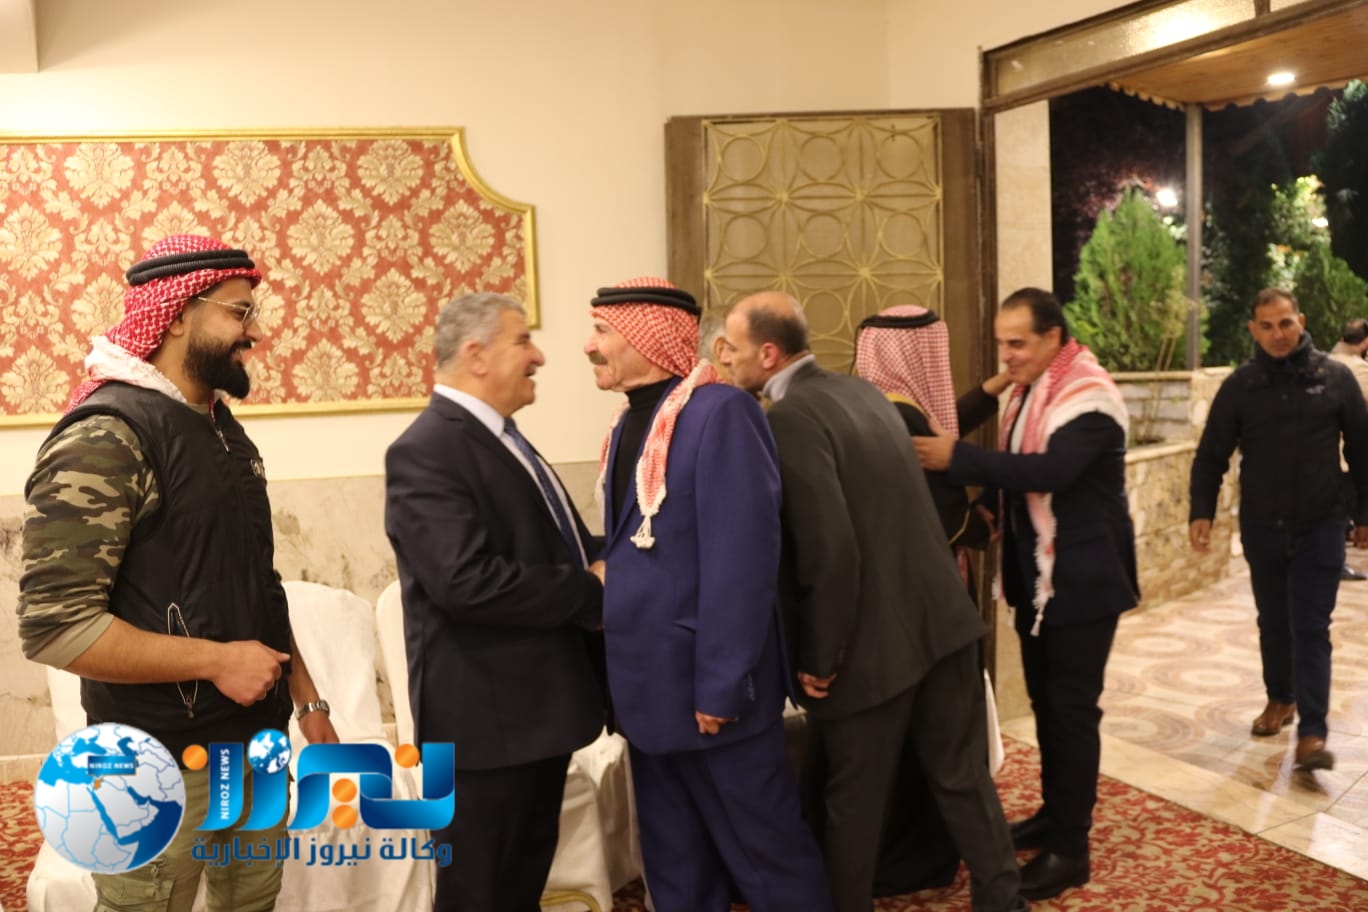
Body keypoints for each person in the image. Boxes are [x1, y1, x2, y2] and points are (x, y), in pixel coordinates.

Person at [18, 234, 338, 912]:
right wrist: (218, 661)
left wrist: (309, 704)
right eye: (239, 312)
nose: (256, 333)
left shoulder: (222, 429)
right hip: (153, 765)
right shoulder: (107, 435)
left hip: (256, 747)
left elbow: (259, 585)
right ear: (175, 317)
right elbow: (56, 628)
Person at [721, 291, 1026, 912]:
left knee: (853, 801)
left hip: (873, 645)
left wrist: (821, 656)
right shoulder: (864, 393)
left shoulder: (790, 418)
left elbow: (830, 551)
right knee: (963, 780)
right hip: (944, 623)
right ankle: (1005, 901)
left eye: (732, 346)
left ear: (769, 353)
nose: (724, 357)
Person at [584, 277, 832, 912]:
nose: (589, 345)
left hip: (708, 695)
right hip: (647, 693)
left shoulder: (721, 413)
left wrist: (721, 684)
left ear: (646, 337)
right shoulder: (629, 422)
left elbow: (742, 561)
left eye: (603, 331)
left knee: (769, 860)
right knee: (676, 865)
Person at [384, 292, 607, 912]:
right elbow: (465, 581)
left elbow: (557, 544)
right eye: (523, 340)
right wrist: (591, 590)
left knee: (517, 891)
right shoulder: (426, 449)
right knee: (477, 896)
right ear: (476, 355)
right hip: (484, 730)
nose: (538, 356)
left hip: (534, 720)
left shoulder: (504, 438)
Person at [914, 286, 1137, 902]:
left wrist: (958, 460)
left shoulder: (1087, 396)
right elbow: (1019, 460)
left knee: (1072, 712)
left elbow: (1052, 472)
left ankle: (1071, 849)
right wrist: (989, 502)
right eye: (1000, 343)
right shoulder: (1031, 387)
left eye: (1017, 343)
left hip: (1081, 582)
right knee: (1048, 707)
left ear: (1053, 338)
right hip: (1040, 582)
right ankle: (1054, 815)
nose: (1006, 355)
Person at [1189, 288, 1368, 772]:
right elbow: (1211, 454)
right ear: (1253, 330)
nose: (1277, 334)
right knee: (1273, 621)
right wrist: (1201, 510)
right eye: (1266, 326)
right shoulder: (1240, 386)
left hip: (1321, 524)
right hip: (1263, 526)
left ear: (1300, 321)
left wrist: (1364, 515)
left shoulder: (1335, 378)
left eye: (1285, 323)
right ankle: (1280, 698)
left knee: (1311, 625)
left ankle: (1313, 732)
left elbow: (1362, 449)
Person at [1327, 317, 1368, 581]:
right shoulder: (1358, 370)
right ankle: (1336, 564)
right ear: (1365, 343)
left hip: (1322, 452)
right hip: (1346, 452)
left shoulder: (1325, 361)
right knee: (1340, 510)